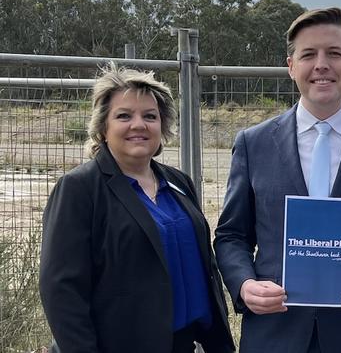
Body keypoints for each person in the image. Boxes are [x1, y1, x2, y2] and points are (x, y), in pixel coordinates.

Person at [214, 7, 341, 353]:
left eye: (334, 53)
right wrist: (244, 284)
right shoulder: (254, 143)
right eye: (309, 54)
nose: (321, 64)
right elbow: (231, 235)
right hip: (274, 332)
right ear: (291, 66)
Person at [39, 63, 235, 353]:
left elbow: (204, 266)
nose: (139, 124)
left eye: (150, 116)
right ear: (103, 128)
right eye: (124, 116)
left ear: (162, 126)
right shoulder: (79, 189)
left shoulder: (178, 182)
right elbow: (61, 291)